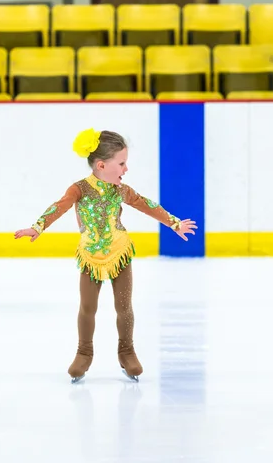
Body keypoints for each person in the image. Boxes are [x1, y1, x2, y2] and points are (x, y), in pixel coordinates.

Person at [14, 128, 197, 382]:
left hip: (119, 253)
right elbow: (59, 206)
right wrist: (37, 227)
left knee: (124, 307)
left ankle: (127, 351)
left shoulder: (120, 190)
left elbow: (147, 205)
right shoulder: (79, 189)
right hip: (90, 257)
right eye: (121, 163)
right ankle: (83, 353)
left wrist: (174, 223)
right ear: (101, 165)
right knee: (88, 308)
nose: (126, 169)